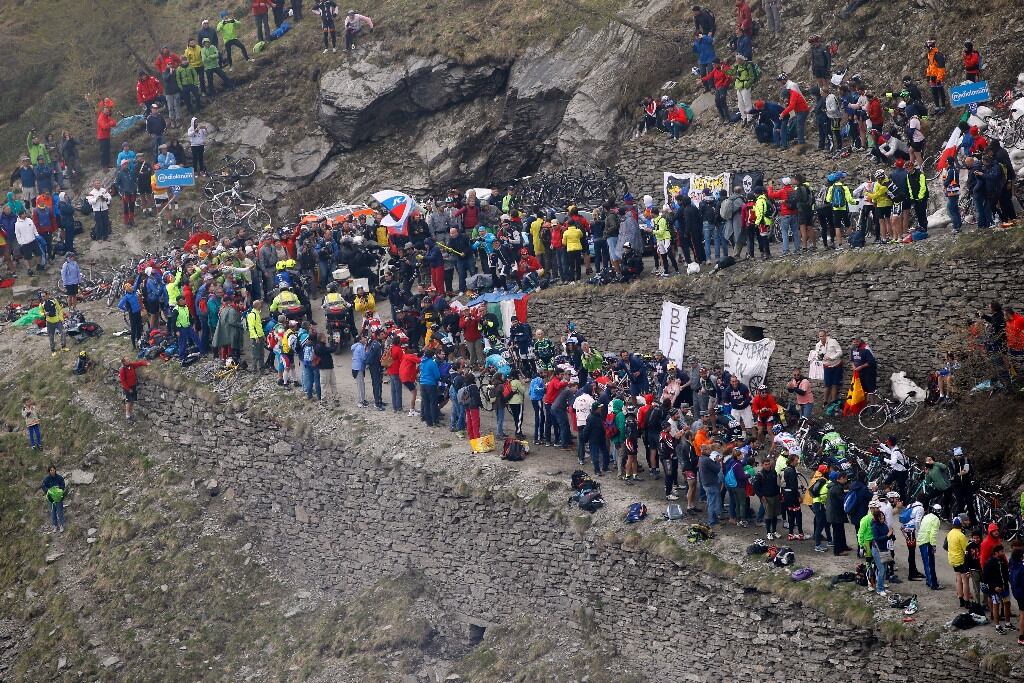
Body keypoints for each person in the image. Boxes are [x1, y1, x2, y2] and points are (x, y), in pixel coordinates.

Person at [983, 544, 1013, 633]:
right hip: (995, 590)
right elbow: (985, 578)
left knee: (1007, 604)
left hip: (1004, 588)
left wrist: (1010, 583)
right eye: (1002, 551)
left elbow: (1006, 574)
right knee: (996, 606)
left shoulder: (1003, 561)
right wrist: (994, 587)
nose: (1004, 553)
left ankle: (1007, 624)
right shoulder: (989, 563)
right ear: (996, 553)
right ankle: (997, 626)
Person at [753, 458, 781, 539]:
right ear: (762, 465)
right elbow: (755, 488)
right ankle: (768, 532)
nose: (768, 466)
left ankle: (774, 531)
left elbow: (777, 484)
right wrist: (761, 496)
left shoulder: (773, 472)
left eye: (768, 464)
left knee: (775, 515)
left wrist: (779, 494)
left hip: (775, 496)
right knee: (768, 516)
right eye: (766, 464)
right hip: (767, 497)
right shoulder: (759, 475)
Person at [946, 517, 972, 607]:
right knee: (965, 581)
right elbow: (966, 549)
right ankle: (966, 601)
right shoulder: (961, 535)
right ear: (961, 525)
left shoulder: (949, 533)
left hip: (953, 559)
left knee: (958, 579)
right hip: (961, 560)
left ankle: (960, 599)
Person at [918, 503, 942, 590]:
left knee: (926, 563)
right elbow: (933, 534)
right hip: (927, 542)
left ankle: (929, 581)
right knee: (930, 564)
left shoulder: (927, 516)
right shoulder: (936, 520)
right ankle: (933, 584)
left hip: (921, 541)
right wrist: (933, 545)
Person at [827, 471, 852, 555]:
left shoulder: (835, 486)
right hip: (836, 514)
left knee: (841, 530)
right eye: (845, 479)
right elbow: (843, 499)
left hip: (835, 513)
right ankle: (838, 551)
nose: (846, 480)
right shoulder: (837, 488)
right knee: (837, 532)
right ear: (841, 478)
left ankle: (843, 546)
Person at [418, 348, 441, 427]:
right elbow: (437, 375)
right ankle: (435, 420)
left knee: (426, 403)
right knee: (433, 403)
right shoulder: (432, 363)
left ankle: (428, 422)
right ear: (432, 355)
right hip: (431, 384)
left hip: (422, 384)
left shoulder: (422, 362)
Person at [41, 465, 66, 533]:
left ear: (55, 470)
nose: (52, 471)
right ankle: (55, 526)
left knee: (60, 511)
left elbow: (63, 485)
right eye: (51, 470)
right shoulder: (47, 479)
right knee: (52, 512)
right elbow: (43, 486)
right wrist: (48, 490)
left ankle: (61, 526)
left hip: (58, 497)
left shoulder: (59, 478)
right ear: (49, 471)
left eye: (53, 470)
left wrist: (58, 488)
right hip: (51, 498)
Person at [366, 330, 386, 410]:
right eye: (382, 334)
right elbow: (378, 357)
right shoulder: (377, 345)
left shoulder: (378, 344)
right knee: (376, 384)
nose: (383, 335)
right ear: (378, 336)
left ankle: (379, 400)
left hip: (377, 366)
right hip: (375, 367)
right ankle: (377, 403)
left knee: (379, 383)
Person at [1008, 547, 1024, 645]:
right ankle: (1021, 637)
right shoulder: (1021, 568)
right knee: (1023, 614)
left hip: (1017, 593)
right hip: (1022, 594)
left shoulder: (1012, 566)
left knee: (1021, 613)